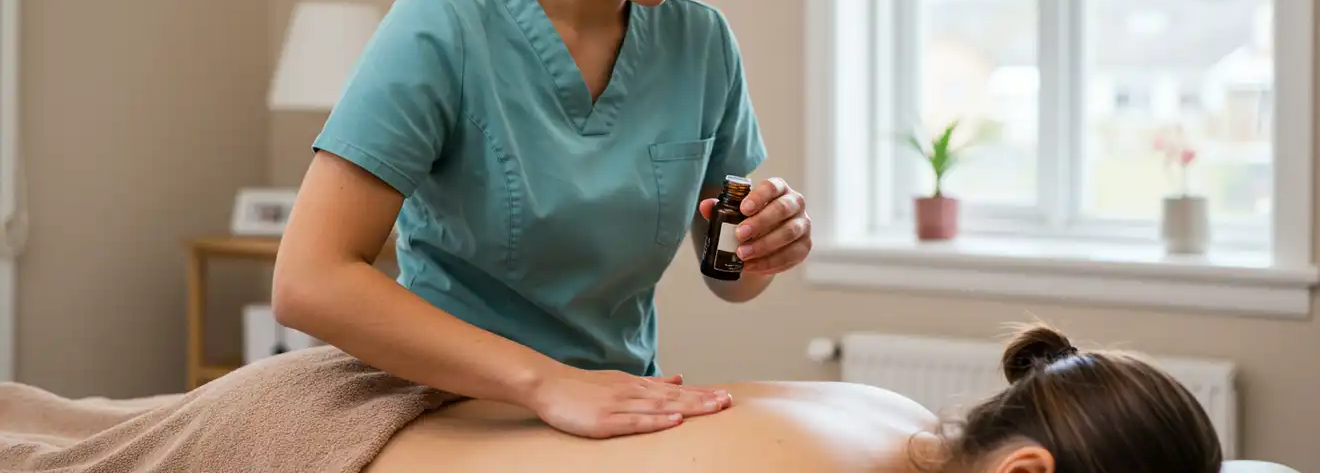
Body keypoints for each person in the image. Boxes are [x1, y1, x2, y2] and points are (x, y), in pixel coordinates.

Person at [271, 0, 813, 441]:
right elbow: (308, 280)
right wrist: (547, 383)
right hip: (449, 411)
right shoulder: (441, 27)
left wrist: (765, 243)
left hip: (616, 411)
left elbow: (726, 271)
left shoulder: (702, 45)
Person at [362, 324, 1225, 473]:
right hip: (337, 436)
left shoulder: (898, 416)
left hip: (449, 397)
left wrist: (747, 246)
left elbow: (724, 248)